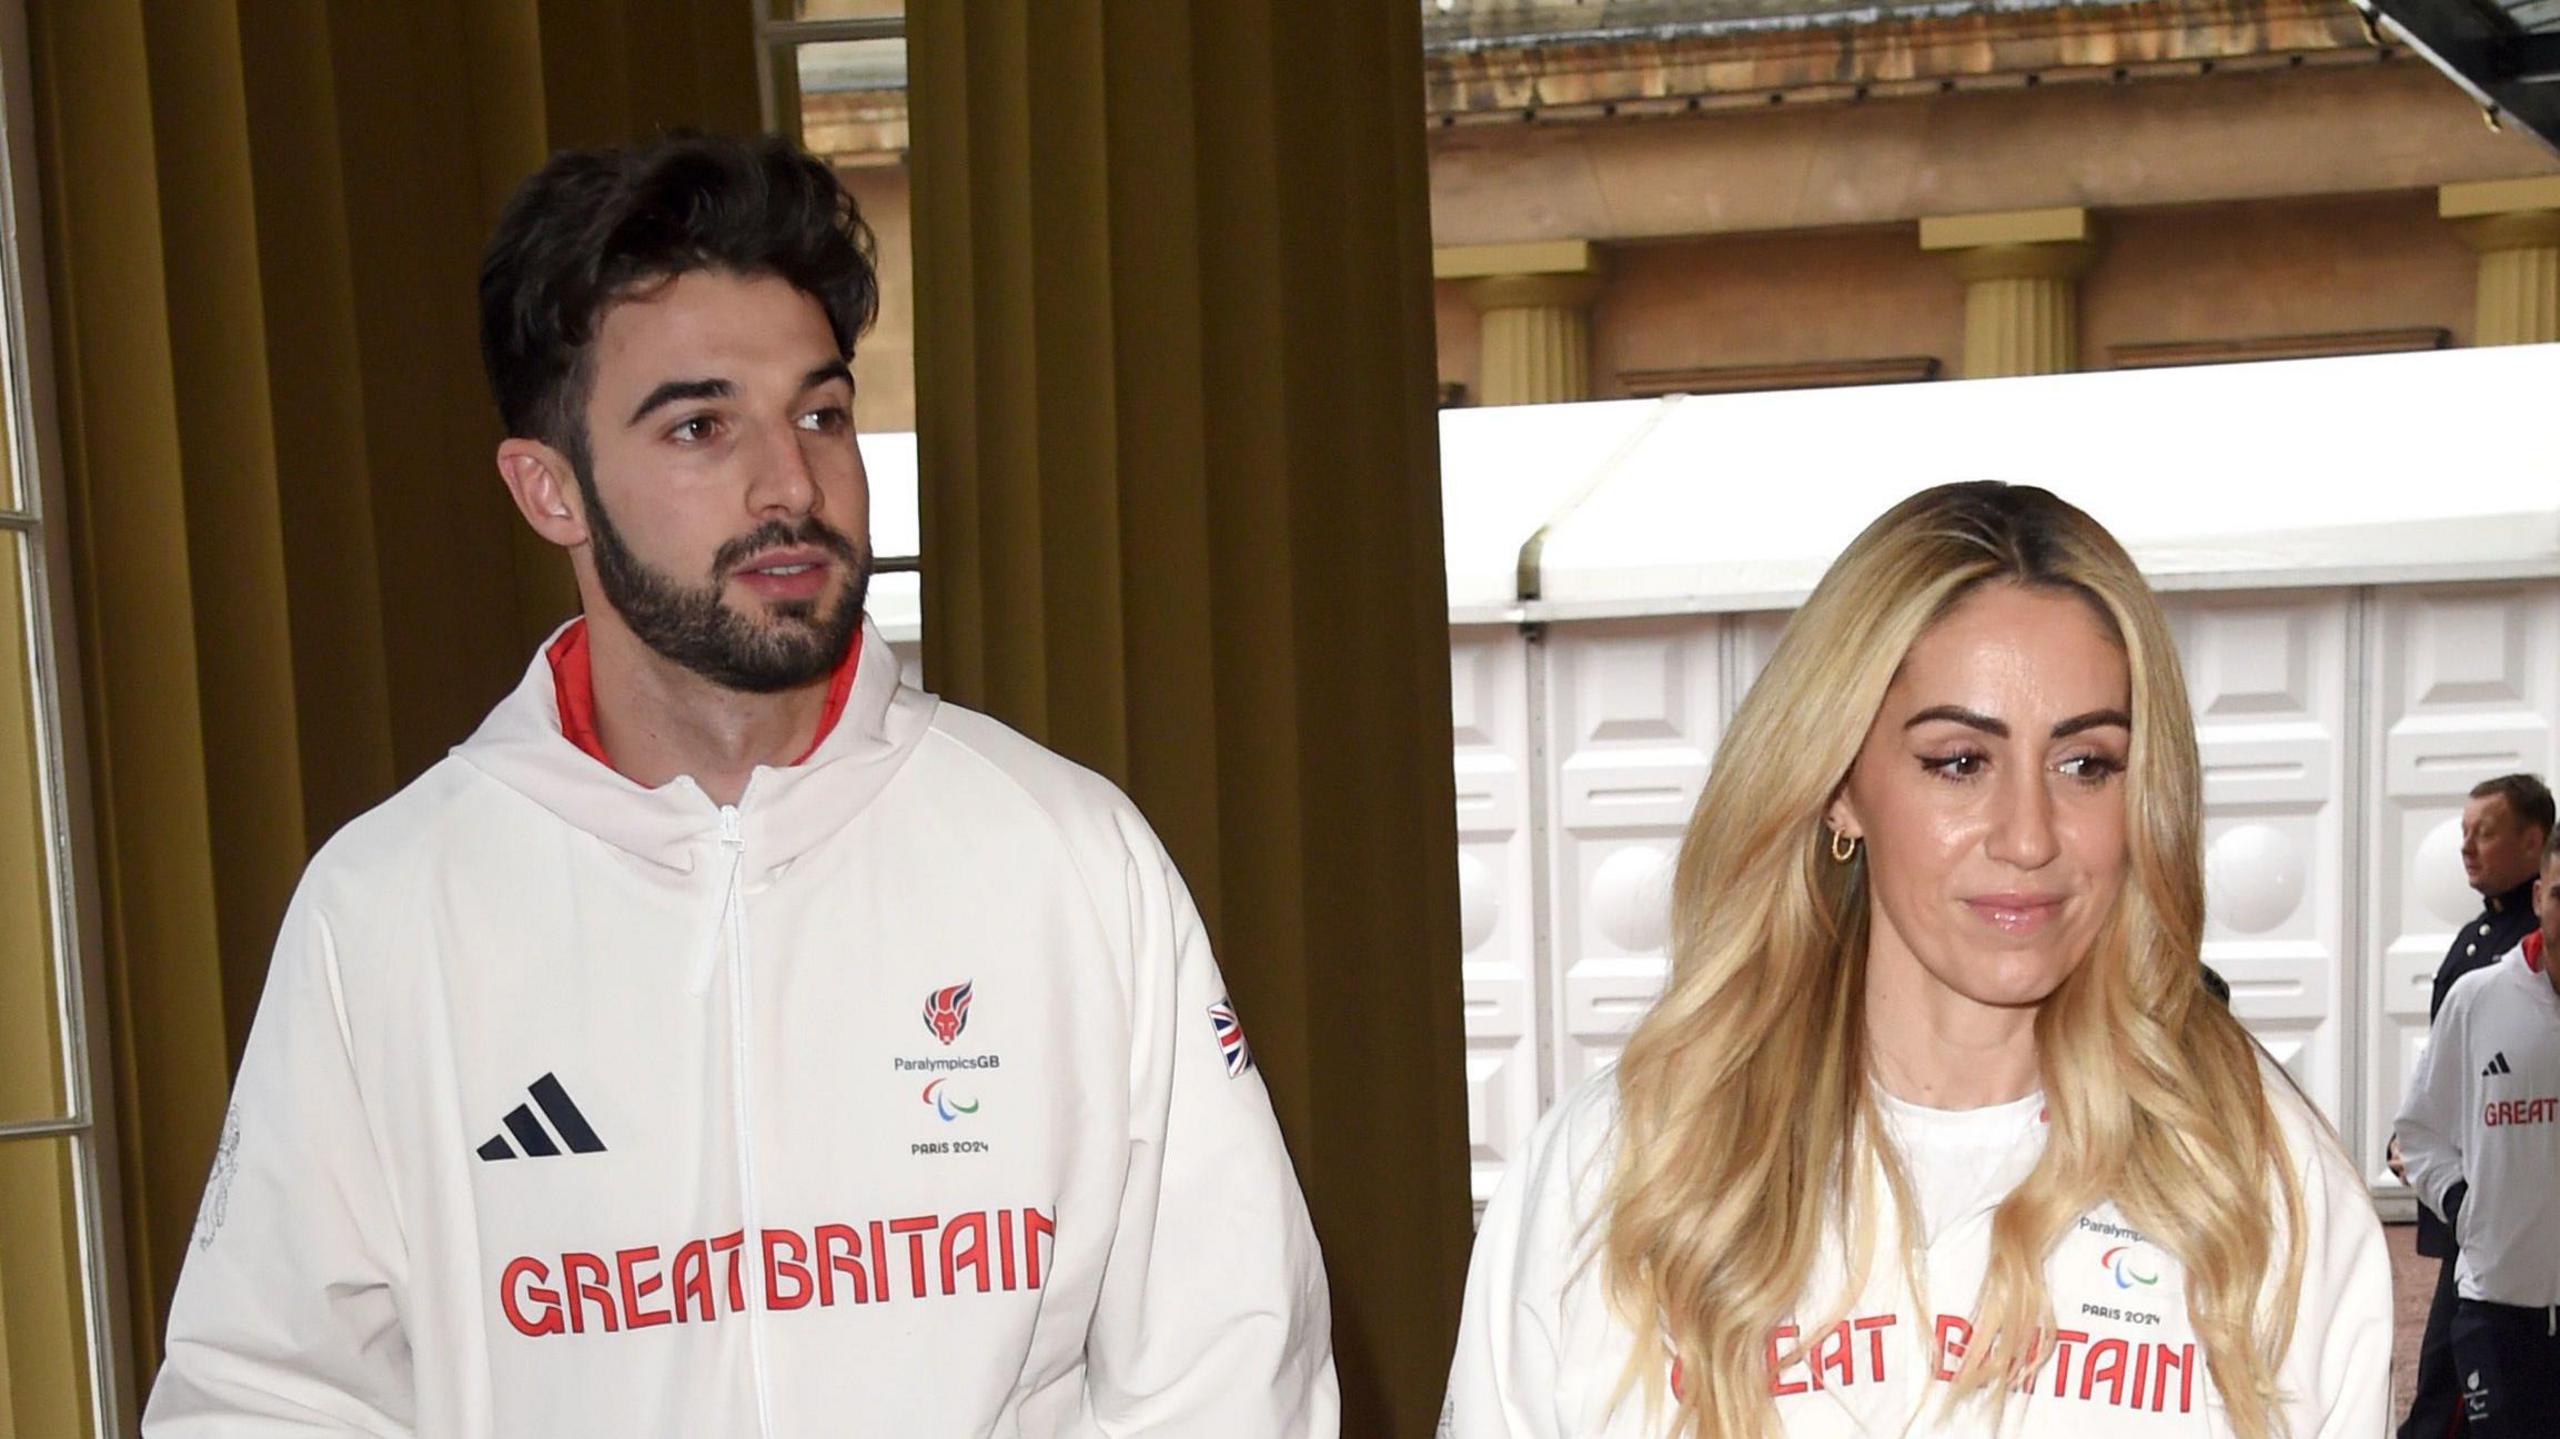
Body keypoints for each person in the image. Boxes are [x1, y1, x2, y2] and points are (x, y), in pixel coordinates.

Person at [143, 133, 1337, 1437]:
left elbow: (1231, 1369)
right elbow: (265, 1394)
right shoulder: (385, 910)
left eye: (821, 413)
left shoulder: (1066, 857)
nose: (792, 482)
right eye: (703, 424)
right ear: (549, 488)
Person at [1442, 482, 2387, 1438]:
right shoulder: (1623, 1167)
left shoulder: (2258, 1180)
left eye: (2086, 764)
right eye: (1960, 761)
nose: (2029, 836)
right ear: (1840, 784)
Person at [2392, 771, 2552, 1439]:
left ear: (2533, 842)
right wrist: (2453, 1188)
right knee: (2448, 1372)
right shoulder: (2474, 947)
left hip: (2519, 1232)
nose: (2466, 847)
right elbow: (2444, 1079)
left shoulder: (2533, 942)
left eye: (2483, 832)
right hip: (2478, 1219)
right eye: (2462, 833)